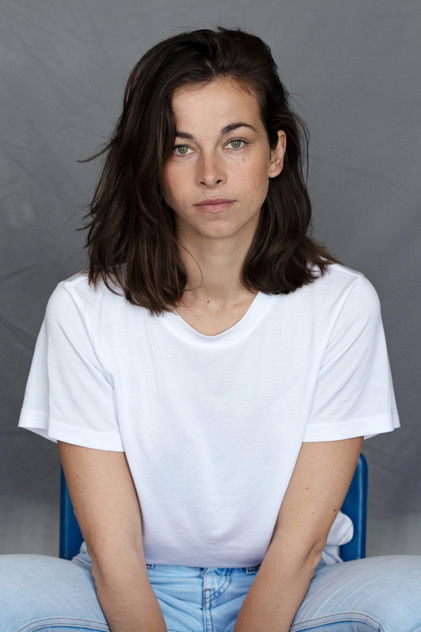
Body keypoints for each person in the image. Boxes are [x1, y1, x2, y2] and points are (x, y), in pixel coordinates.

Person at [2, 25, 420, 632]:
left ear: (275, 153)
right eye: (180, 148)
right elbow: (116, 558)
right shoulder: (83, 308)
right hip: (129, 587)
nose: (210, 174)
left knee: (411, 593)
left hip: (299, 590)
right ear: (151, 163)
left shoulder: (341, 303)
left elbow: (300, 547)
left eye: (235, 142)